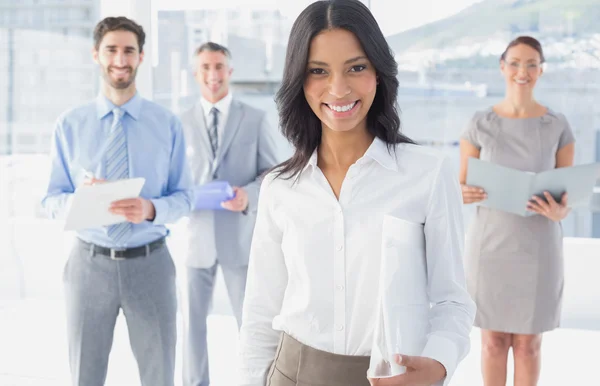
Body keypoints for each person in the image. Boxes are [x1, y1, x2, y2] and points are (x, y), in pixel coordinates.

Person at [237, 1, 476, 386]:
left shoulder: (427, 174)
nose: (338, 88)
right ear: (299, 80)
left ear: (379, 74)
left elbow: (452, 300)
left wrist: (439, 362)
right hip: (292, 373)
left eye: (356, 67)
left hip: (391, 376)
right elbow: (260, 313)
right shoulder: (279, 188)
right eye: (318, 71)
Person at [41, 16, 193, 386]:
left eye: (129, 50)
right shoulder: (69, 125)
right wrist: (81, 202)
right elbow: (50, 198)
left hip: (152, 265)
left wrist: (150, 209)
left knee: (160, 376)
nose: (120, 60)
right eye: (111, 50)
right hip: (88, 267)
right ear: (96, 54)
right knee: (85, 376)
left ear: (141, 57)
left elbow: (185, 197)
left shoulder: (167, 124)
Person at [459, 36, 575, 386]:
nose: (522, 71)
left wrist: (558, 212)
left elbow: (565, 198)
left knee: (528, 346)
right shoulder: (480, 123)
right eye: (514, 63)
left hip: (538, 247)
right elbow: (461, 187)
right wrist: (464, 192)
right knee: (493, 343)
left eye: (530, 64)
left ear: (541, 70)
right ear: (502, 67)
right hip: (491, 246)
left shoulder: (557, 125)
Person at [179, 42, 280, 386]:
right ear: (196, 74)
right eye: (205, 67)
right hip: (197, 238)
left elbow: (272, 173)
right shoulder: (180, 123)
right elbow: (174, 179)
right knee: (192, 326)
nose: (213, 74)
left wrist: (248, 196)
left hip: (240, 238)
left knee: (250, 324)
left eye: (219, 66)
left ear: (230, 71)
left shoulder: (255, 119)